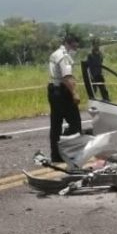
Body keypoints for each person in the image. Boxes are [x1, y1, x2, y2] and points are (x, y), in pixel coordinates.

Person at [47, 32, 82, 163]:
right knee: (75, 123)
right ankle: (72, 152)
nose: (75, 49)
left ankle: (56, 155)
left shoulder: (55, 54)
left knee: (56, 125)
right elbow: (67, 77)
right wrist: (74, 93)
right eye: (74, 46)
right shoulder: (64, 56)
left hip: (53, 90)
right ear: (68, 44)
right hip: (62, 91)